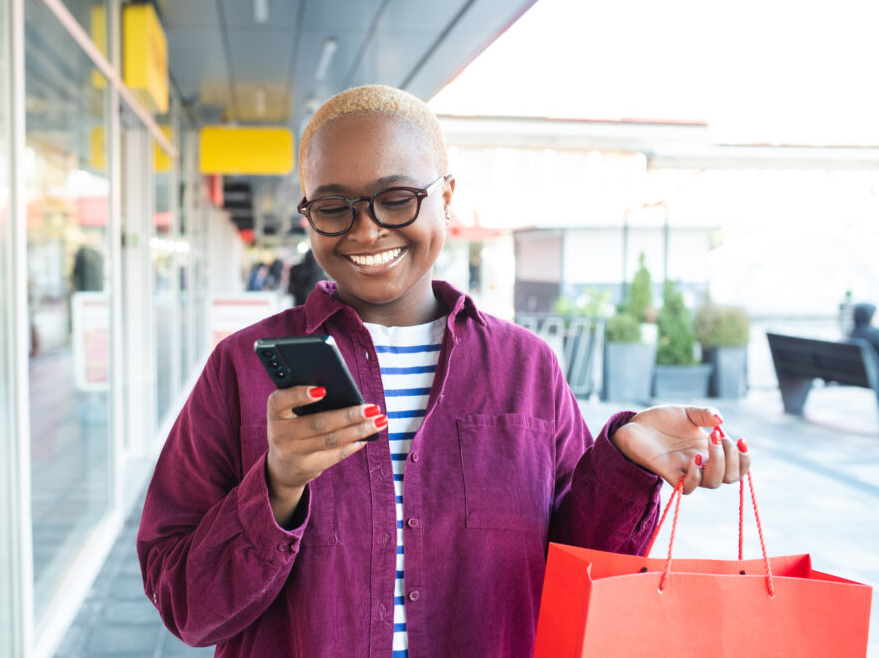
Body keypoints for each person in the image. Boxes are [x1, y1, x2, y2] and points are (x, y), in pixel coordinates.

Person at [136, 85, 751, 657]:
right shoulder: (241, 370)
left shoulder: (526, 370)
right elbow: (185, 604)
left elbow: (575, 575)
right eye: (333, 207)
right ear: (308, 215)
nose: (367, 229)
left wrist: (625, 460)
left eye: (397, 198)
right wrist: (274, 488)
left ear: (447, 197)